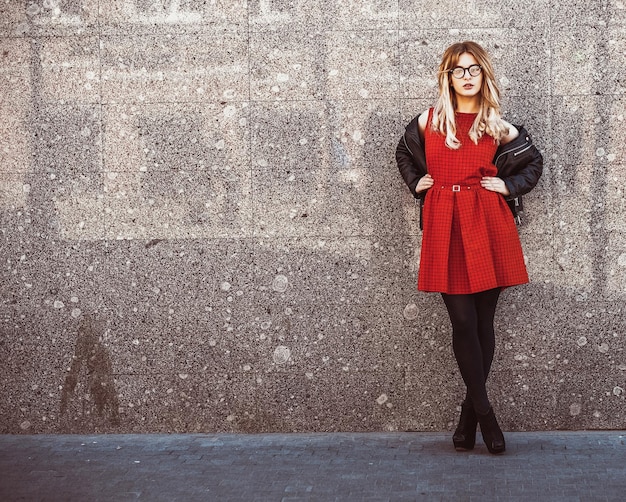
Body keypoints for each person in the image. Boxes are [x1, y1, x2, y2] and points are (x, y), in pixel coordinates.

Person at [396, 41, 543, 454]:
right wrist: (417, 184)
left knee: (483, 323)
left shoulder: (495, 123)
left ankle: (466, 422)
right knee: (462, 322)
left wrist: (508, 185)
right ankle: (484, 414)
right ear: (447, 76)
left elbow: (534, 163)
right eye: (458, 69)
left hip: (489, 223)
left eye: (473, 69)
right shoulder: (428, 121)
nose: (466, 76)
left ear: (483, 76)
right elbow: (403, 154)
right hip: (445, 223)